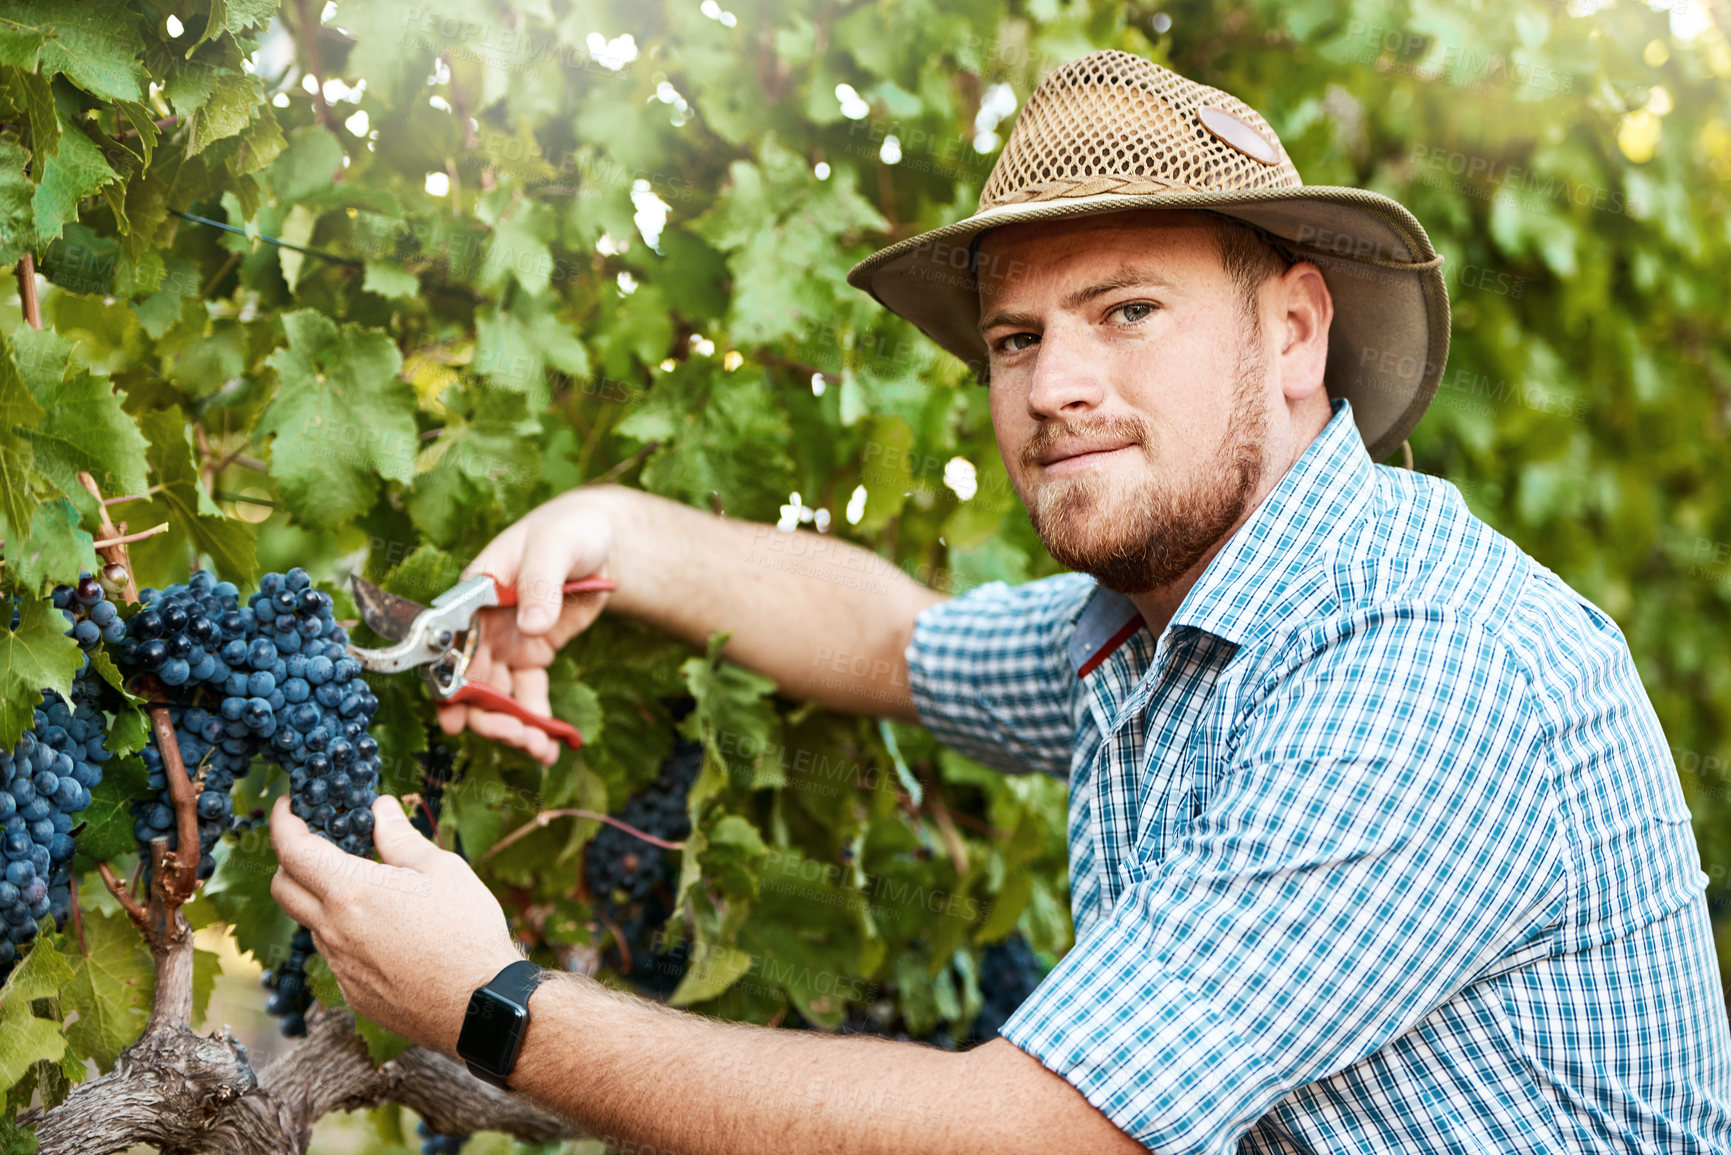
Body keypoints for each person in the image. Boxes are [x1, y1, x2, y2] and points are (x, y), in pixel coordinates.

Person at [270, 51, 1731, 1154]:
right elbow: (895, 638)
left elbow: (1037, 1133)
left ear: (1294, 331)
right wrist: (614, 532)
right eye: (1018, 337)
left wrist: (492, 1003)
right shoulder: (1168, 621)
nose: (1056, 387)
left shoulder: (1426, 664)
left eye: (1127, 311)